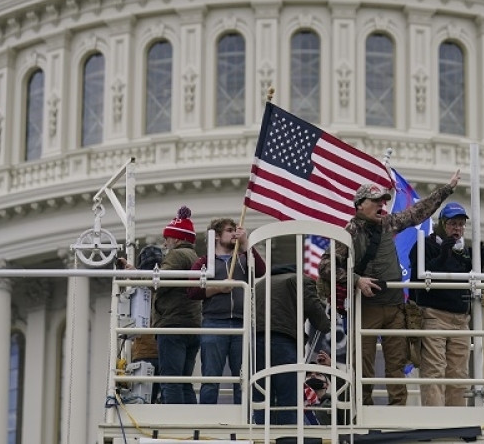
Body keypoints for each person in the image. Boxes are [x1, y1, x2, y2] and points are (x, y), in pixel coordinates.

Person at [318, 169, 459, 406]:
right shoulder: (348, 233)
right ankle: (362, 411)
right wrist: (356, 280)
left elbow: (417, 212)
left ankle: (397, 409)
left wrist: (448, 189)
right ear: (360, 205)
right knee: (363, 363)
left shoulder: (387, 224)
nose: (382, 204)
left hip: (395, 308)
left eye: (383, 200)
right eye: (375, 201)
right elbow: (325, 266)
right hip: (367, 308)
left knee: (397, 362)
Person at [407, 202, 484, 406]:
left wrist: (479, 258)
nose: (457, 229)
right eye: (452, 224)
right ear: (442, 224)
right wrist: (442, 256)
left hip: (461, 319)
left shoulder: (464, 253)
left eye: (461, 224)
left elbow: (467, 278)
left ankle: (456, 421)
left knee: (459, 373)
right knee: (434, 370)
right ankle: (436, 420)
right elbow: (416, 281)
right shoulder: (426, 245)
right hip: (434, 316)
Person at [186, 218, 266, 405]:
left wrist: (246, 243)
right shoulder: (203, 263)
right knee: (211, 378)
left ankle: (244, 421)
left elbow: (260, 270)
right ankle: (207, 422)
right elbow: (191, 291)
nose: (234, 234)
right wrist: (217, 288)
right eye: (230, 230)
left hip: (242, 323)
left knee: (243, 378)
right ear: (216, 236)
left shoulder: (243, 260)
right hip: (214, 322)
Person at [253, 265, 330, 425]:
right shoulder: (300, 280)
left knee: (261, 396)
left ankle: (260, 436)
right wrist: (326, 321)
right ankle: (288, 436)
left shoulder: (260, 284)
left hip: (255, 343)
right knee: (288, 397)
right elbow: (317, 314)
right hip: (284, 341)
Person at [152, 206, 201, 404]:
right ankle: (191, 422)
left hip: (172, 324)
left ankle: (171, 422)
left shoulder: (176, 256)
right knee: (184, 381)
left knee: (170, 380)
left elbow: (159, 283)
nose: (165, 243)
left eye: (168, 238)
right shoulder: (194, 258)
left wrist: (139, 274)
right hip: (193, 325)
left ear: (177, 239)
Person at [128, 244, 164, 404]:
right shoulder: (167, 286)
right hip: (164, 352)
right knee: (168, 399)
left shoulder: (137, 291)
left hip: (144, 354)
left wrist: (134, 274)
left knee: (142, 401)